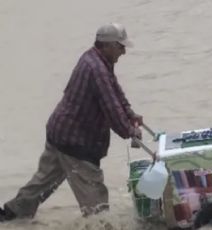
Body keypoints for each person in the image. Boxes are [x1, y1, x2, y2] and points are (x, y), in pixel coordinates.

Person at [0, 22, 143, 221]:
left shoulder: (96, 58)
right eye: (121, 46)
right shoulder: (97, 69)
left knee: (42, 183)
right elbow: (111, 108)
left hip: (60, 133)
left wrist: (130, 113)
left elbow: (115, 91)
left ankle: (10, 215)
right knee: (96, 203)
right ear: (107, 45)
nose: (124, 52)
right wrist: (130, 131)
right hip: (76, 143)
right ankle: (102, 226)